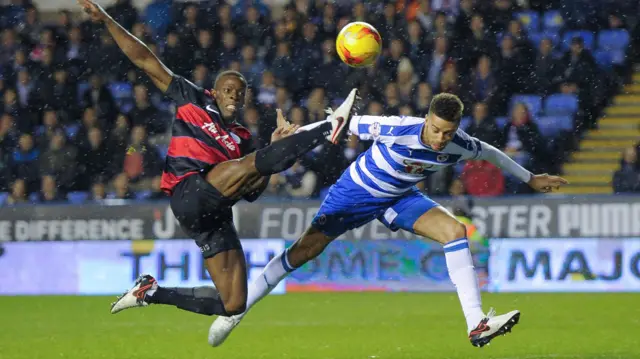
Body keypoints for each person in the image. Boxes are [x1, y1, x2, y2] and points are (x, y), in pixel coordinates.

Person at [209, 93, 569, 348]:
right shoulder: (398, 127)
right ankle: (236, 310)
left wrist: (530, 178)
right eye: (436, 130)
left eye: (448, 132)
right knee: (302, 252)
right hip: (355, 193)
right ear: (426, 120)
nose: (441, 139)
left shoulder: (459, 143)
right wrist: (297, 135)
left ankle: (476, 323)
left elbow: (490, 152)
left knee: (455, 230)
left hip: (400, 197)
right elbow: (342, 122)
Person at [78, 0, 357, 320]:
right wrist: (108, 20)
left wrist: (272, 147)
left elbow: (252, 190)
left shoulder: (242, 137)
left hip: (213, 216)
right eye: (227, 90)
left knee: (234, 303)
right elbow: (144, 59)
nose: (233, 96)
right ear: (214, 91)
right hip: (188, 191)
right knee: (249, 163)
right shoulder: (191, 97)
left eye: (239, 93)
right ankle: (327, 129)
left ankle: (151, 292)